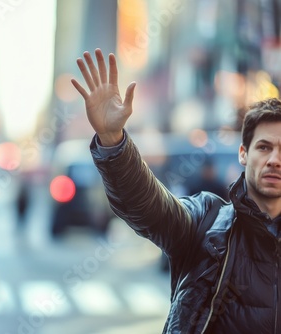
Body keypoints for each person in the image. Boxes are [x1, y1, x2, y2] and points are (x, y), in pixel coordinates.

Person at [71, 48, 281, 333]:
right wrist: (112, 141)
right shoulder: (207, 223)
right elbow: (150, 208)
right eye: (264, 147)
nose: (274, 160)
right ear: (243, 153)